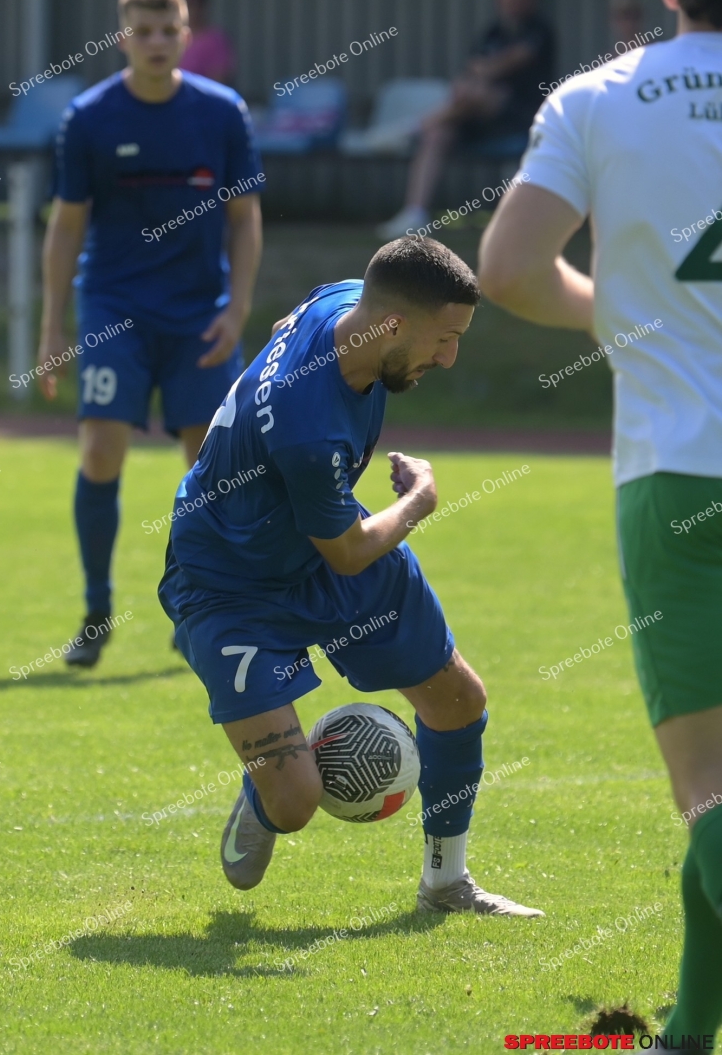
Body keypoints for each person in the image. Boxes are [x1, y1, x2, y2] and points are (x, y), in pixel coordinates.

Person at [479, 0, 722, 1040]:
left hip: (677, 476)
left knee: (708, 791)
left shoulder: (595, 98)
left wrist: (612, 317)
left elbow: (508, 270)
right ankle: (688, 1030)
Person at [158, 236, 542, 916]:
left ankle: (446, 884)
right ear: (390, 324)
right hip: (228, 583)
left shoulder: (344, 302)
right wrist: (419, 501)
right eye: (444, 339)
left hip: (314, 540)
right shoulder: (309, 430)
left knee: (458, 701)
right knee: (295, 803)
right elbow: (348, 552)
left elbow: (291, 319)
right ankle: (268, 787)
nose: (448, 359)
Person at [37, 0, 263, 669]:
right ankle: (96, 611)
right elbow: (66, 225)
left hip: (199, 313)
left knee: (210, 467)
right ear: (122, 38)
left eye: (169, 30)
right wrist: (52, 328)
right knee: (101, 452)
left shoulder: (222, 113)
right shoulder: (90, 117)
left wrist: (238, 307)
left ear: (187, 36)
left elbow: (245, 218)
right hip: (115, 309)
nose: (157, 42)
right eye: (143, 31)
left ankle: (197, 602)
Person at [378, 0, 555, 239]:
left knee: (479, 94)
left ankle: (410, 129)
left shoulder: (540, 30)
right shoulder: (493, 32)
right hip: (475, 118)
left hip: (521, 118)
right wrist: (473, 80)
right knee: (438, 134)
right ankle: (415, 212)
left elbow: (503, 65)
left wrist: (483, 73)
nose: (510, 3)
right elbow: (472, 70)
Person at [176, 0, 236, 86]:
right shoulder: (163, 38)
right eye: (181, 3)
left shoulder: (215, 42)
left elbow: (217, 85)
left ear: (202, 4)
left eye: (191, 2)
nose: (186, 8)